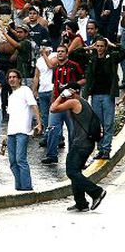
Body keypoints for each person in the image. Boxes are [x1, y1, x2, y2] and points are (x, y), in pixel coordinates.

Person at [50, 83, 107, 212]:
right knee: (75, 171)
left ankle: (96, 192)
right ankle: (81, 203)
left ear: (72, 92)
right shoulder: (83, 102)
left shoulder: (74, 102)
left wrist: (61, 96)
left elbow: (53, 108)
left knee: (71, 172)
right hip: (87, 143)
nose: (64, 95)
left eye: (66, 92)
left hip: (81, 144)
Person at [76, 36, 124, 160]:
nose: (99, 48)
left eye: (102, 46)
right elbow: (76, 53)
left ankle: (106, 149)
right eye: (97, 46)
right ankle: (100, 149)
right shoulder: (92, 58)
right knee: (98, 124)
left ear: (105, 47)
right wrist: (89, 47)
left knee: (108, 123)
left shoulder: (112, 57)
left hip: (108, 94)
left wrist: (113, 45)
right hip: (95, 94)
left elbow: (123, 52)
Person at [4, 69, 43, 191]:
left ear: (19, 79)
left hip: (23, 131)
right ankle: (19, 186)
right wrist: (6, 134)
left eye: (14, 77)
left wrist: (39, 123)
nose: (12, 79)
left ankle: (26, 187)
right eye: (10, 77)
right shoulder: (11, 96)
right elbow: (11, 116)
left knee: (21, 159)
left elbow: (33, 106)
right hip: (11, 131)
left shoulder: (25, 90)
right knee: (12, 161)